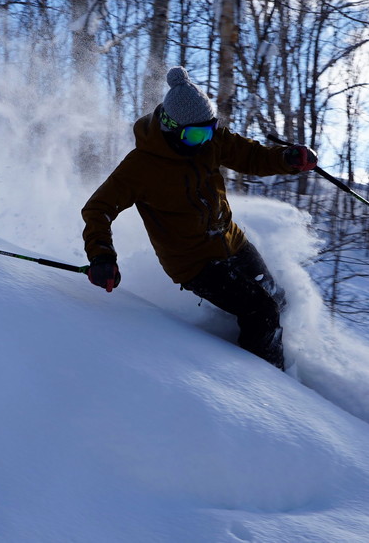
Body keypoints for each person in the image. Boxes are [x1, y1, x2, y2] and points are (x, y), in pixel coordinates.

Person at [81, 67, 317, 371]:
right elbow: (97, 209)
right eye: (196, 135)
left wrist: (287, 159)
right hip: (194, 264)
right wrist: (101, 256)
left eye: (210, 130)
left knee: (276, 299)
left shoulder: (209, 140)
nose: (206, 140)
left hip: (232, 241)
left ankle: (260, 349)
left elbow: (251, 156)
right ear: (171, 128)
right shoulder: (141, 168)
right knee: (262, 310)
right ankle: (272, 383)